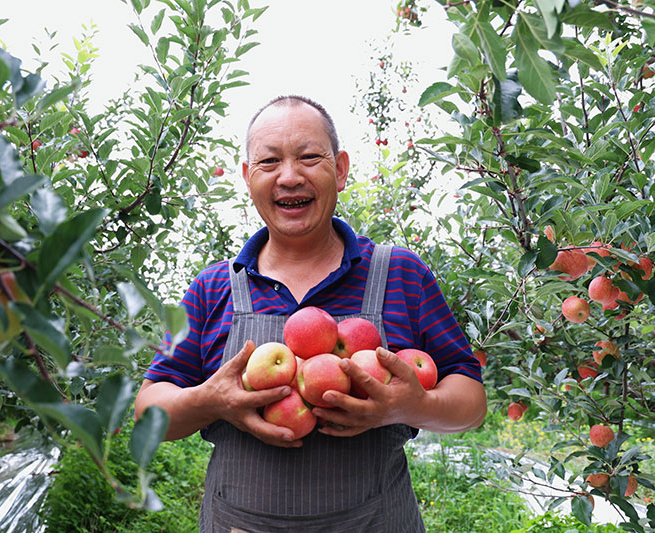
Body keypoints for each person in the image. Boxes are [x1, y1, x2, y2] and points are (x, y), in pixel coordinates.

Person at [134, 95, 487, 532]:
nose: (289, 176)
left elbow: (471, 401)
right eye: (269, 162)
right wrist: (209, 401)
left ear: (340, 169)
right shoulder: (213, 288)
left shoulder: (400, 274)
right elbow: (148, 412)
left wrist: (411, 406)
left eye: (308, 157)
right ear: (247, 177)